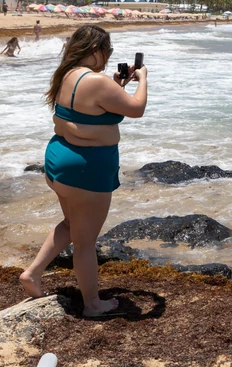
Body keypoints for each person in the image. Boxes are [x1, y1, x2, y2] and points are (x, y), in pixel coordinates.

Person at [19, 25, 148, 318]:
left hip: (59, 161)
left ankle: (33, 273)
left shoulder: (67, 75)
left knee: (71, 224)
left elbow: (94, 107)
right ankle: (92, 304)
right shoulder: (97, 82)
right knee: (86, 242)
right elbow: (137, 109)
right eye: (108, 50)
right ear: (95, 50)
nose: (108, 56)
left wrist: (117, 85)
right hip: (86, 169)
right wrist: (143, 79)